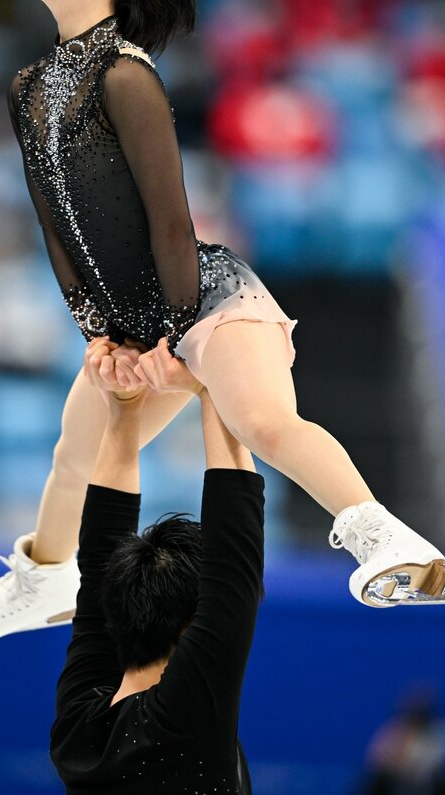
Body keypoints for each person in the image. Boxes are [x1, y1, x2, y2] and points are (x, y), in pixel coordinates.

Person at [0, 0, 445, 643]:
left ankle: (389, 543)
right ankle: (46, 579)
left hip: (204, 296)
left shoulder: (127, 76)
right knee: (72, 453)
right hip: (136, 319)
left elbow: (171, 220)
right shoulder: (30, 89)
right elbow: (57, 223)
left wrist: (168, 333)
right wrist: (102, 331)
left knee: (261, 419)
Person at [50, 337, 262, 794]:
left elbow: (101, 564)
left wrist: (128, 410)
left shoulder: (85, 729)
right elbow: (231, 575)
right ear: (191, 627)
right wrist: (210, 388)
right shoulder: (179, 720)